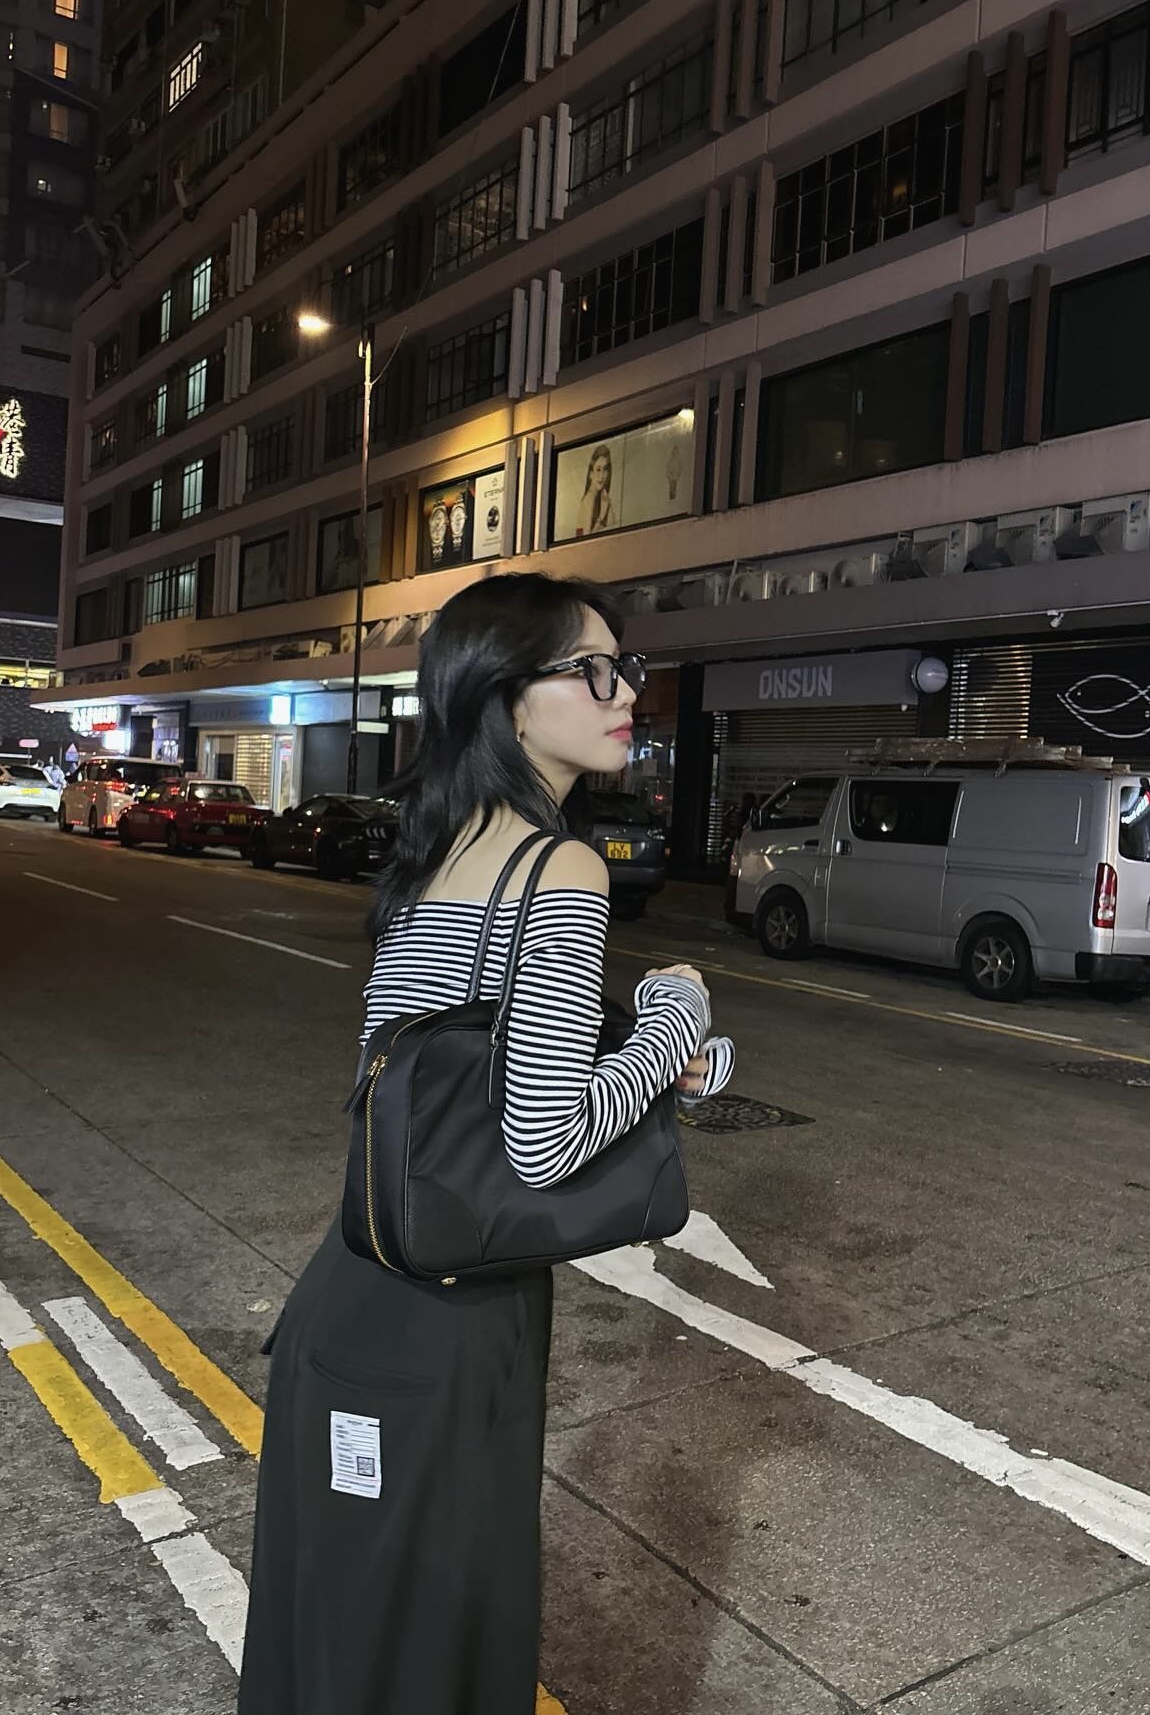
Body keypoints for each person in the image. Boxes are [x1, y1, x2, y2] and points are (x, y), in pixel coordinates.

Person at [238, 572, 734, 1715]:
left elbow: (455, 1075)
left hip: (350, 1306)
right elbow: (547, 1140)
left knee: (341, 1645)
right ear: (509, 702)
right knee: (430, 1660)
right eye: (591, 671)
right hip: (446, 1333)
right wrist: (677, 1014)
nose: (624, 695)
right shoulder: (561, 869)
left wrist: (663, 1056)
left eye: (629, 671)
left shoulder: (438, 855)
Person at [575, 442, 615, 535]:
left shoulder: (603, 499)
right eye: (598, 469)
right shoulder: (589, 500)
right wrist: (601, 518)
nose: (601, 476)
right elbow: (584, 541)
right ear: (591, 473)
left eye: (605, 469)